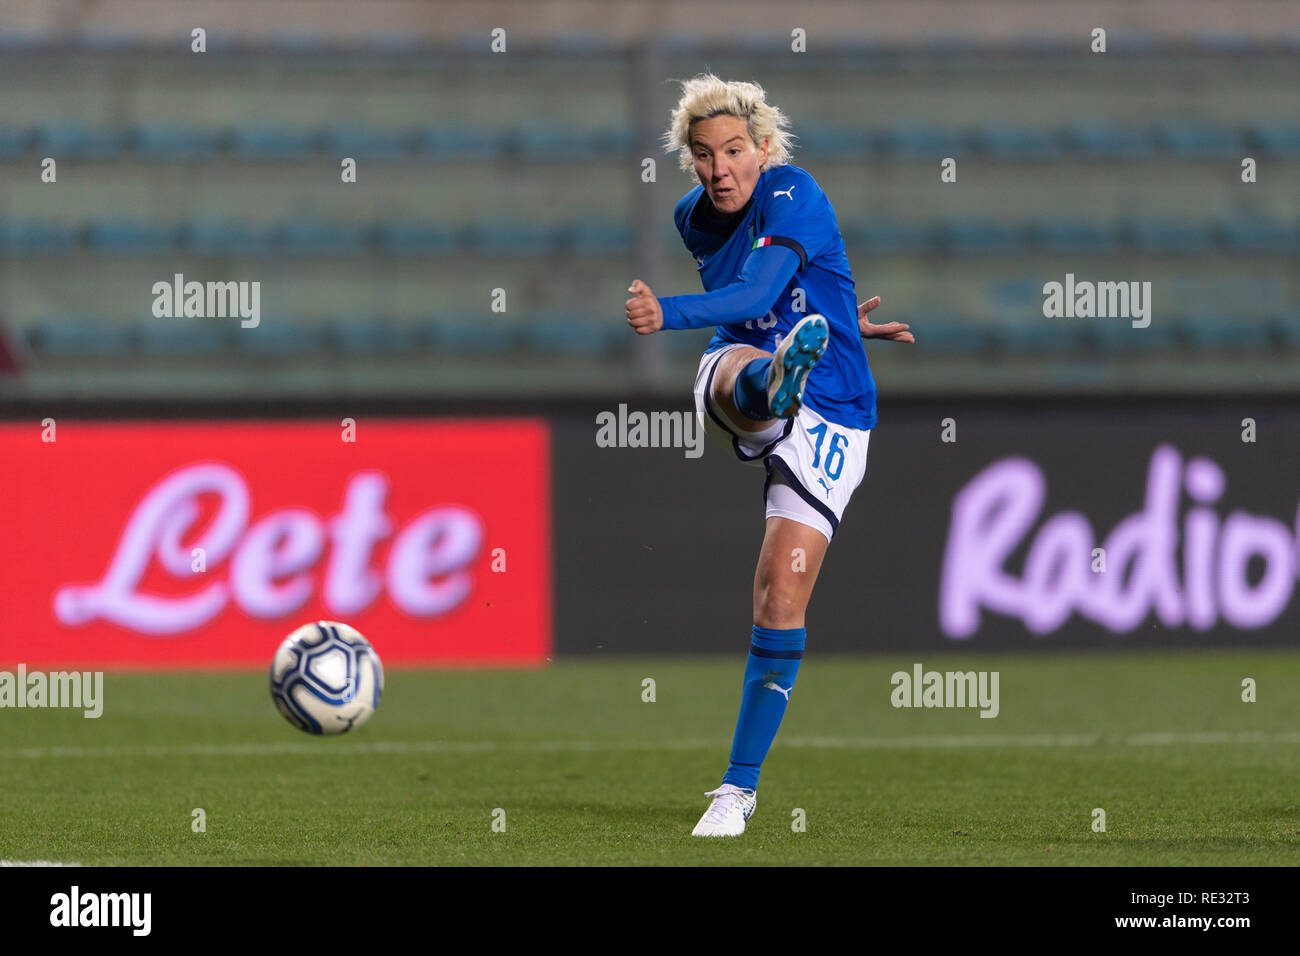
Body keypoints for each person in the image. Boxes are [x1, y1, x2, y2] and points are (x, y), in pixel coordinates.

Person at [625, 74, 913, 836]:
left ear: (762, 148)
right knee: (733, 371)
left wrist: (669, 312)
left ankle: (739, 788)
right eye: (702, 154)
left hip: (839, 411)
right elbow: (753, 313)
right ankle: (773, 382)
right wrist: (835, 317)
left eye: (733, 151)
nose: (719, 169)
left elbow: (758, 291)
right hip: (756, 360)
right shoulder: (696, 218)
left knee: (778, 599)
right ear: (687, 161)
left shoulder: (793, 192)